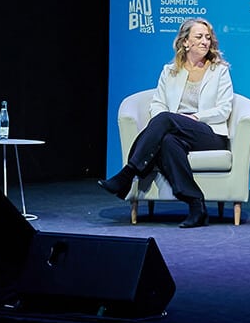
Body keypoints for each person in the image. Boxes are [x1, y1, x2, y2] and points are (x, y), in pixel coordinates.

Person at [98, 17, 233, 228]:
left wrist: (195, 117)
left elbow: (224, 109)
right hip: (176, 132)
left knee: (166, 119)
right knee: (168, 140)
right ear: (185, 42)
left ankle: (128, 174)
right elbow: (157, 105)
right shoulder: (170, 71)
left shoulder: (219, 70)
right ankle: (196, 205)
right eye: (199, 37)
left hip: (209, 133)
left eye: (208, 37)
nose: (205, 41)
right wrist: (171, 121)